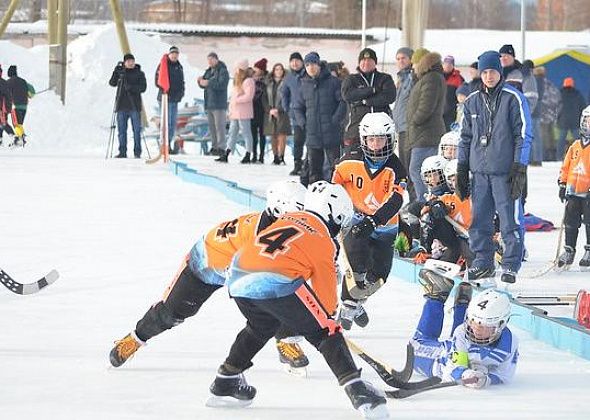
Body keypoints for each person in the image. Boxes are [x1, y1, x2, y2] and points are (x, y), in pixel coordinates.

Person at [206, 181, 389, 418]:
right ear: (335, 213)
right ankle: (359, 392)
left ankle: (226, 380)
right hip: (273, 281)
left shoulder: (287, 219)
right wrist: (324, 321)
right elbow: (326, 304)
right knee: (326, 331)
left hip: (238, 277)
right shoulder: (323, 238)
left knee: (261, 326)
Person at [109, 180, 312, 372]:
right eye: (296, 213)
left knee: (281, 292)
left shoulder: (280, 226)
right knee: (171, 314)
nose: (301, 220)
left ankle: (286, 341)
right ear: (278, 209)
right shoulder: (255, 234)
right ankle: (135, 338)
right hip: (205, 263)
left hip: (238, 266)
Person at [456, 50, 532, 284]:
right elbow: (465, 137)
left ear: (500, 72)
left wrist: (519, 166)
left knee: (510, 220)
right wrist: (461, 166)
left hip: (506, 172)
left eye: (493, 71)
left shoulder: (513, 98)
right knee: (479, 220)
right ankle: (483, 261)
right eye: (485, 72)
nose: (489, 76)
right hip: (480, 173)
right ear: (480, 73)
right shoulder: (471, 102)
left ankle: (510, 263)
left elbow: (523, 135)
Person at [332, 112, 407, 330]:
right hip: (355, 217)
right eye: (371, 139)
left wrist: (374, 221)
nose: (376, 145)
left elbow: (395, 201)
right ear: (363, 140)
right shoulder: (349, 160)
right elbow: (334, 186)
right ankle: (348, 304)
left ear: (390, 139)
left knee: (379, 274)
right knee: (357, 262)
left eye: (381, 139)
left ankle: (357, 302)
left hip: (385, 225)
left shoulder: (397, 168)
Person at [412, 268, 519, 389]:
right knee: (414, 348)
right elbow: (453, 369)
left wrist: (487, 379)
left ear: (501, 324)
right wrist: (465, 373)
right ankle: (437, 296)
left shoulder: (510, 342)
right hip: (441, 360)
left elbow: (505, 375)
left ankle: (463, 300)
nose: (477, 329)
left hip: (460, 349)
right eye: (473, 321)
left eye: (484, 325)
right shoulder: (462, 332)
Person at [293, 52, 346, 185]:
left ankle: (335, 197)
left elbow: (343, 102)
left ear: (319, 65)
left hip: (331, 133)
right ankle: (315, 197)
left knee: (336, 169)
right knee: (314, 170)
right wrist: (303, 123)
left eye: (313, 64)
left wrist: (335, 120)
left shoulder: (333, 82)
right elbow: (297, 107)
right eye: (307, 65)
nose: (311, 67)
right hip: (312, 133)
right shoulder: (303, 84)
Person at [407, 51, 447, 203]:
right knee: (423, 171)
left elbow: (426, 106)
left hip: (426, 134)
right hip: (424, 133)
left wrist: (414, 120)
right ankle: (426, 201)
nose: (413, 67)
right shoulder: (429, 77)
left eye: (415, 63)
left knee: (418, 170)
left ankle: (425, 202)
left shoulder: (431, 78)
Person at [341, 47, 396, 148]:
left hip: (380, 130)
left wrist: (366, 101)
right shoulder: (351, 79)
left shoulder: (384, 78)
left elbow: (389, 96)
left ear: (375, 62)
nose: (366, 63)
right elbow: (348, 95)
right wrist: (372, 90)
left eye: (369, 60)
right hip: (356, 130)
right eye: (363, 60)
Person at [556, 106, 590, 270]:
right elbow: (566, 167)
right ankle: (569, 250)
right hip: (573, 192)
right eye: (587, 121)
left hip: (588, 194)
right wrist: (563, 184)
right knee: (570, 222)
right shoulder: (575, 146)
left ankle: (589, 250)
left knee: (589, 222)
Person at [108, 54, 147, 158]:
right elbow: (112, 83)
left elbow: (143, 88)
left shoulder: (139, 73)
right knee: (121, 131)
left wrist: (132, 88)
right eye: (128, 61)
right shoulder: (121, 73)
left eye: (132, 61)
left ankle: (137, 152)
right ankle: (122, 151)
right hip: (121, 105)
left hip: (134, 106)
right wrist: (115, 73)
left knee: (137, 130)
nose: (131, 63)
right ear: (124, 62)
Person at [217, 59, 255, 163]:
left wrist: (236, 100)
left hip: (244, 112)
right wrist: (231, 108)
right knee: (232, 132)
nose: (235, 70)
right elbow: (233, 97)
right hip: (235, 112)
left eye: (237, 68)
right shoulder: (236, 81)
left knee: (246, 133)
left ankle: (248, 153)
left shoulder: (249, 81)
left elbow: (249, 96)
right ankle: (227, 153)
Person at [391, 47, 414, 198]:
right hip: (400, 127)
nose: (400, 61)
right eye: (398, 58)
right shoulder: (401, 78)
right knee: (404, 165)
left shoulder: (411, 77)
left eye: (403, 58)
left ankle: (413, 198)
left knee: (409, 166)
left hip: (409, 126)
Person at [197, 51, 229, 157]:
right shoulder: (208, 71)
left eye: (211, 59)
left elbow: (222, 85)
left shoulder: (223, 71)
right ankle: (215, 147)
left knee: (220, 127)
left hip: (219, 104)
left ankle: (221, 148)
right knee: (212, 128)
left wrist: (208, 82)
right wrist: (200, 82)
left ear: (216, 59)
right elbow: (204, 84)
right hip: (209, 103)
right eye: (208, 60)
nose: (209, 62)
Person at [155, 46, 185, 154]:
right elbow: (157, 80)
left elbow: (182, 82)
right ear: (169, 54)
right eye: (173, 54)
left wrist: (181, 93)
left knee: (172, 123)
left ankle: (168, 143)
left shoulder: (179, 67)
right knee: (165, 123)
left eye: (176, 54)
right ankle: (163, 144)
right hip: (164, 97)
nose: (174, 56)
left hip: (174, 99)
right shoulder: (163, 65)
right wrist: (164, 90)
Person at [281, 52, 306, 176]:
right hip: (296, 115)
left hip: (310, 113)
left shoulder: (308, 74)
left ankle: (308, 164)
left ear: (302, 62)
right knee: (298, 141)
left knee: (312, 142)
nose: (295, 63)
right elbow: (284, 94)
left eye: (297, 60)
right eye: (292, 61)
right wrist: (287, 109)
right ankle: (297, 164)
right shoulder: (288, 77)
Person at [263, 62, 291, 165]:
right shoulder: (268, 83)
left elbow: (288, 98)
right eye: (276, 69)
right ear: (273, 71)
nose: (278, 71)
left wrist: (278, 109)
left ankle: (281, 157)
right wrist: (269, 109)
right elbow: (264, 98)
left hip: (282, 113)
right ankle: (275, 157)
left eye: (280, 69)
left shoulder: (286, 83)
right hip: (270, 113)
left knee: (282, 135)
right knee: (273, 135)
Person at [499, 44, 538, 114]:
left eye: (506, 56)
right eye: (501, 56)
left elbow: (531, 97)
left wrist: (522, 115)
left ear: (513, 57)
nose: (503, 58)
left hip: (517, 116)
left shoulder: (524, 73)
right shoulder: (497, 74)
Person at [557, 77, 586, 160]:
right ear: (573, 84)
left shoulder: (560, 93)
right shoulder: (578, 94)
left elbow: (556, 107)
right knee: (578, 140)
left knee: (561, 141)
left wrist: (557, 118)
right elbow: (583, 107)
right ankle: (581, 156)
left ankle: (559, 157)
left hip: (563, 120)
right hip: (575, 120)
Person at [5, 65, 35, 146]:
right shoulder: (23, 81)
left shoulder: (8, 82)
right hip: (24, 106)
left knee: (16, 124)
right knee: (20, 124)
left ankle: (22, 138)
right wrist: (28, 95)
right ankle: (19, 140)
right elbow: (32, 93)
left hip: (15, 106)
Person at [251, 58, 268, 163]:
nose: (255, 70)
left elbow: (262, 94)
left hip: (262, 110)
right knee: (253, 135)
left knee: (262, 135)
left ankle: (261, 156)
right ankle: (254, 155)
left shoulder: (266, 80)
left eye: (256, 68)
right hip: (252, 110)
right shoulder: (251, 79)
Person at [442, 55, 465, 131]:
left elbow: (462, 95)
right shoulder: (437, 76)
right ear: (443, 64)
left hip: (451, 114)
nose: (448, 65)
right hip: (437, 113)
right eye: (446, 63)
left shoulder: (459, 78)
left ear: (453, 65)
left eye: (450, 64)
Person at [0, 64, 15, 146]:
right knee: (2, 124)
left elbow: (8, 97)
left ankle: (14, 138)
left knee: (3, 124)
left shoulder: (3, 83)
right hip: (3, 109)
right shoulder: (4, 83)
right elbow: (9, 97)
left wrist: (7, 108)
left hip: (2, 109)